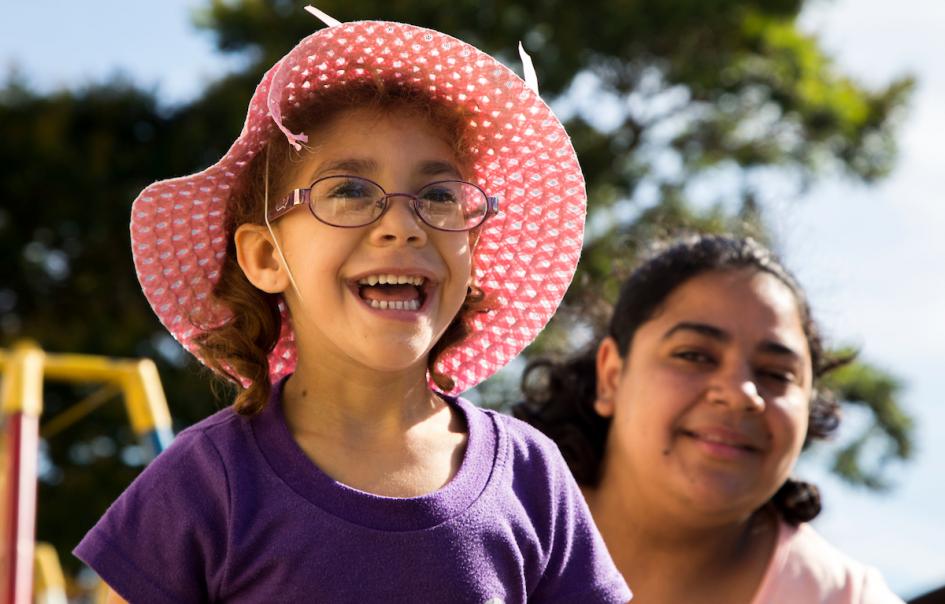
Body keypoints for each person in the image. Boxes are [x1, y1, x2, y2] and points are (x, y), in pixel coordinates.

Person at [73, 7, 630, 603]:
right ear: (265, 257)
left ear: (473, 257)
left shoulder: (530, 475)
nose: (403, 225)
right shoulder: (206, 482)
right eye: (348, 191)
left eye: (439, 195)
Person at [516, 234, 903, 603]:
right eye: (695, 355)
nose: (740, 394)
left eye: (777, 374)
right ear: (612, 376)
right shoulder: (482, 526)